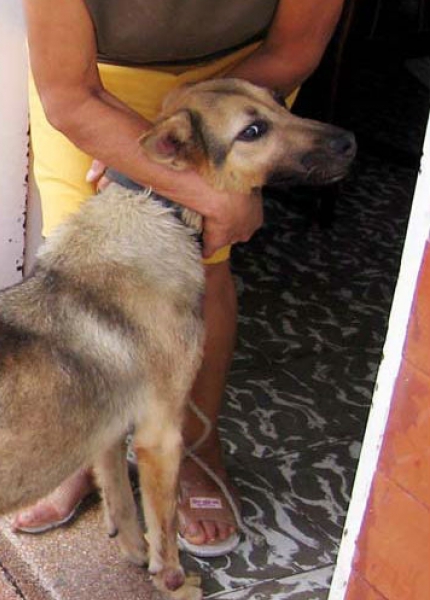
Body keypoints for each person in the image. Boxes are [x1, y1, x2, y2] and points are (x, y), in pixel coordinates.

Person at [17, 0, 343, 557]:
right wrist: (160, 164)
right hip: (99, 85)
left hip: (241, 83)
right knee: (80, 274)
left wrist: (196, 141)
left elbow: (294, 49)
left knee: (201, 272)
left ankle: (197, 449)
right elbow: (70, 95)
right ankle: (81, 447)